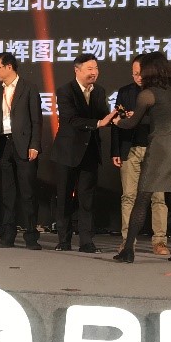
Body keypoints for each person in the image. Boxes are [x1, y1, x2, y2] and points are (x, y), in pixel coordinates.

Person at [112, 52, 171, 263]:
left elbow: (132, 123)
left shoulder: (148, 94)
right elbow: (164, 116)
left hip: (159, 151)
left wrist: (118, 121)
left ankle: (128, 251)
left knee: (142, 199)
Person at [50, 53, 119, 253]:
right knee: (64, 197)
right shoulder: (65, 91)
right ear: (77, 70)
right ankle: (64, 240)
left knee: (87, 199)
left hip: (90, 152)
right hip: (67, 152)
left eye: (96, 68)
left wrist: (116, 118)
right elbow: (71, 120)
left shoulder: (99, 91)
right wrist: (99, 122)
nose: (94, 72)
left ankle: (87, 242)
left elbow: (103, 116)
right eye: (90, 69)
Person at [111, 56, 169, 256]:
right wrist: (115, 151)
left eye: (141, 73)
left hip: (156, 151)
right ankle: (128, 241)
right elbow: (116, 122)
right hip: (130, 149)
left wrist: (135, 117)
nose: (138, 77)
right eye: (134, 73)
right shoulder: (125, 92)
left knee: (159, 198)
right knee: (128, 196)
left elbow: (164, 122)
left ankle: (159, 241)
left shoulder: (160, 93)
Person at [0, 52, 42, 250]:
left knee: (27, 193)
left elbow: (36, 119)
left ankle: (31, 237)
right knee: (7, 194)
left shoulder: (29, 87)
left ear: (9, 67)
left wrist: (35, 144)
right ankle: (7, 237)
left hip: (24, 145)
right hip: (3, 144)